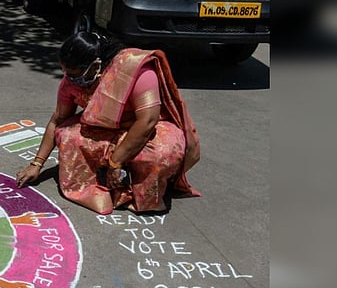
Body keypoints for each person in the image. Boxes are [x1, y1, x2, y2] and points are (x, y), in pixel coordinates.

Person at [15, 32, 200, 214]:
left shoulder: (135, 70)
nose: (70, 79)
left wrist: (116, 161)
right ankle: (99, 187)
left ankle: (138, 192)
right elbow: (58, 119)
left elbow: (148, 121)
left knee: (163, 153)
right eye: (66, 74)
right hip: (105, 129)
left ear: (95, 66)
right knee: (67, 135)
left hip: (146, 131)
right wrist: (36, 164)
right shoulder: (72, 82)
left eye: (74, 75)